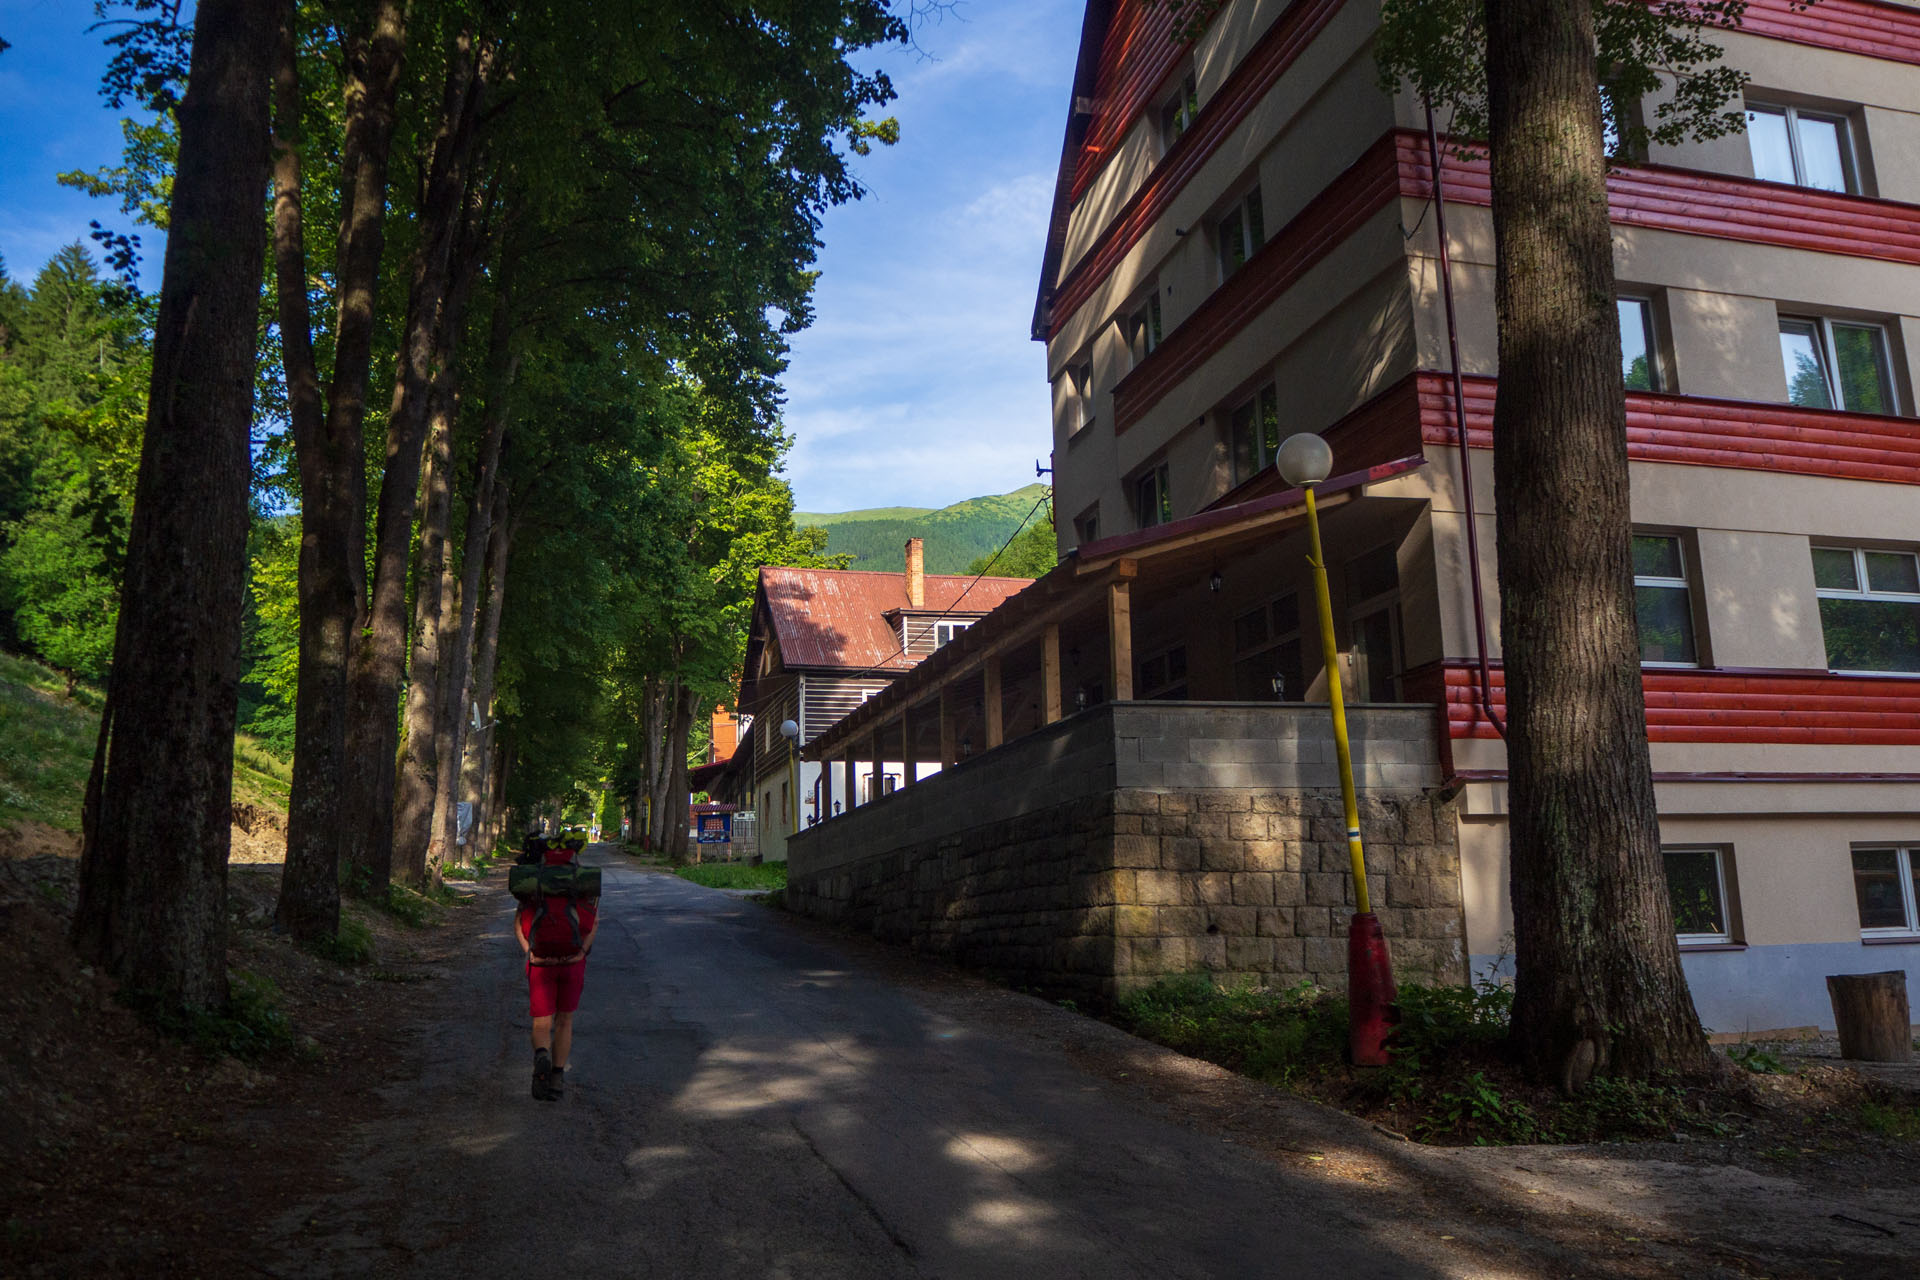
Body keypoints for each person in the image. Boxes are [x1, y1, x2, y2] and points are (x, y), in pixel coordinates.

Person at [515, 830, 598, 1100]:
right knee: (565, 1021)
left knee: (541, 1022)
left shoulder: (534, 881)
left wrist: (530, 953)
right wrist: (581, 952)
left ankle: (541, 1056)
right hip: (572, 960)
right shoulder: (581, 881)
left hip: (540, 961)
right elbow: (593, 921)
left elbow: (518, 922)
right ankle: (557, 1080)